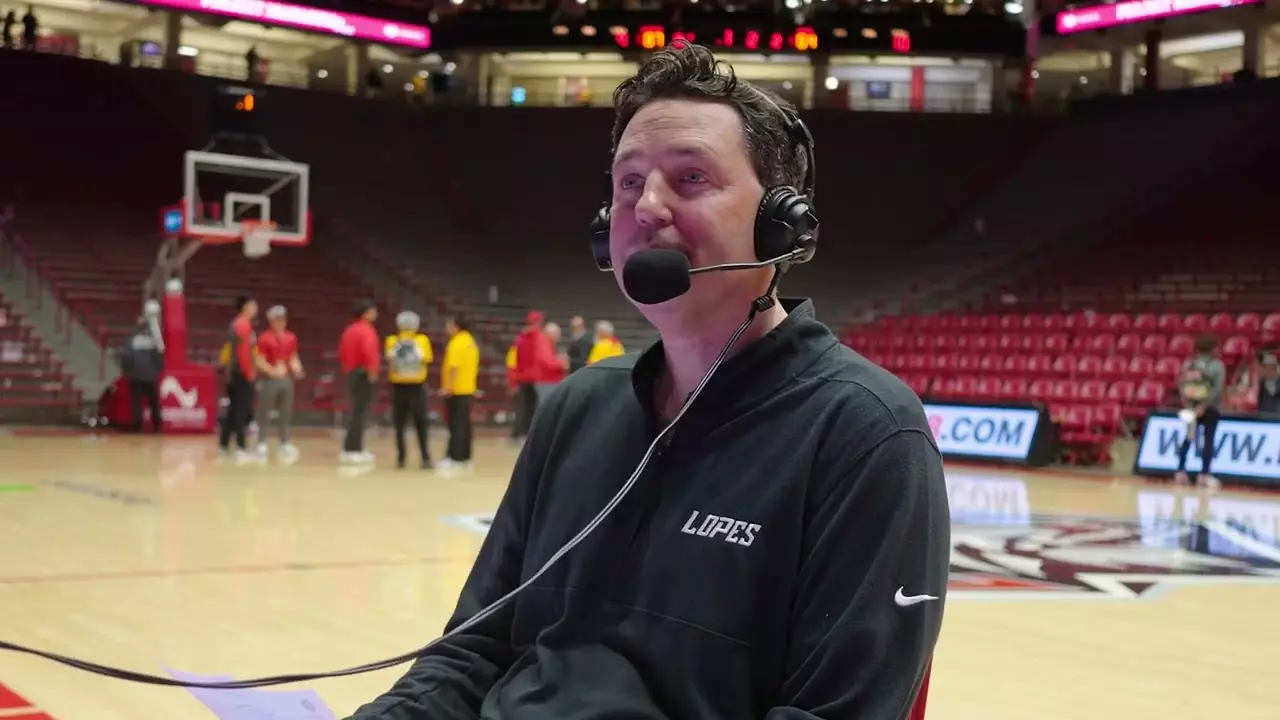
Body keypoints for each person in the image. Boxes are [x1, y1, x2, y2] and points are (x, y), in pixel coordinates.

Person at [351, 42, 948, 720]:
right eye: (629, 183)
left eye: (691, 178)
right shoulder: (575, 409)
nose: (646, 207)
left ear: (781, 225)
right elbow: (471, 654)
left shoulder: (865, 434)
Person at [1174, 334, 1225, 490]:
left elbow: (1182, 385)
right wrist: (1204, 406)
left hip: (1190, 407)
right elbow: (1217, 389)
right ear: (1213, 349)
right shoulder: (1217, 366)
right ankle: (1204, 475)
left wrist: (1189, 404)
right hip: (1210, 408)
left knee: (1189, 437)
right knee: (1208, 439)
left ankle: (1180, 471)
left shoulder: (1189, 364)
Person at [385, 310, 433, 470]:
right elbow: (427, 360)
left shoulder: (392, 340)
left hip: (398, 386)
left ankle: (401, 458)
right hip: (417, 386)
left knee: (400, 424)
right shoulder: (422, 340)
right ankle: (425, 457)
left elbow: (390, 361)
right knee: (421, 423)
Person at [255, 305, 303, 462]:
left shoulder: (291, 337)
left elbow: (293, 356)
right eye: (277, 319)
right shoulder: (264, 338)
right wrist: (271, 370)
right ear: (271, 321)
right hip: (269, 379)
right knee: (265, 410)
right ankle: (261, 441)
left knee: (286, 411)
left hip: (286, 378)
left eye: (283, 319)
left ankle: (284, 442)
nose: (281, 322)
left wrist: (297, 368)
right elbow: (259, 360)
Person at [338, 299, 380, 464]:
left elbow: (342, 352)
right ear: (366, 313)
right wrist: (372, 371)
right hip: (363, 372)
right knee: (360, 412)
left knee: (356, 411)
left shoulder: (349, 330)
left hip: (352, 372)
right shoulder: (366, 330)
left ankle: (351, 446)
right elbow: (369, 351)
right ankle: (354, 449)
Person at [218, 296, 260, 460]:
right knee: (241, 410)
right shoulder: (242, 326)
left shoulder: (238, 324)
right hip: (241, 373)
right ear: (245, 307)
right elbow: (243, 353)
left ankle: (224, 444)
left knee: (233, 409)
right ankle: (241, 448)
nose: (256, 307)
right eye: (253, 305)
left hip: (235, 373)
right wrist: (249, 372)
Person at [439, 314, 480, 469]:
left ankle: (454, 457)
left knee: (455, 425)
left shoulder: (456, 343)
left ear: (456, 326)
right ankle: (465, 457)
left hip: (456, 390)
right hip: (468, 388)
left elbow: (454, 368)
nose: (447, 328)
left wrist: (448, 387)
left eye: (449, 325)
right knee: (464, 425)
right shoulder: (471, 342)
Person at [119, 315, 163, 433]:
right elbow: (158, 357)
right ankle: (157, 426)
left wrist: (127, 372)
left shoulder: (131, 339)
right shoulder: (153, 340)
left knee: (137, 402)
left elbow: (126, 357)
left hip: (136, 375)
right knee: (154, 402)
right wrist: (156, 371)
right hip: (150, 376)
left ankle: (138, 426)